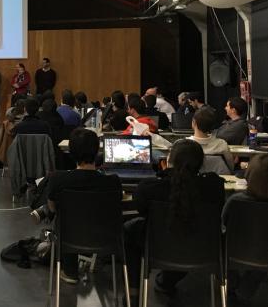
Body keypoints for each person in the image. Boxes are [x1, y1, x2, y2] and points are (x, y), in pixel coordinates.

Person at [124, 139, 224, 301]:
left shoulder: (150, 187)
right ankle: (167, 280)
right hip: (204, 247)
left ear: (169, 160)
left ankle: (133, 290)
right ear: (200, 163)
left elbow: (141, 209)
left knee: (129, 229)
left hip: (158, 246)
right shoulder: (215, 187)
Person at [42, 128, 122, 283]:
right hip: (107, 240)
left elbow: (52, 209)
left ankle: (70, 271)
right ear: (97, 151)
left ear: (71, 152)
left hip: (69, 237)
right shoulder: (113, 182)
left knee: (67, 220)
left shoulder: (58, 179)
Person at [222, 154, 268, 303]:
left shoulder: (235, 200)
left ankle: (232, 287)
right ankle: (244, 293)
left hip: (234, 250)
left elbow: (223, 222)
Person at [187, 106, 234, 172]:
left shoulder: (182, 145)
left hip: (191, 181)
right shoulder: (222, 144)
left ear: (193, 122)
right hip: (218, 180)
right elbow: (230, 167)